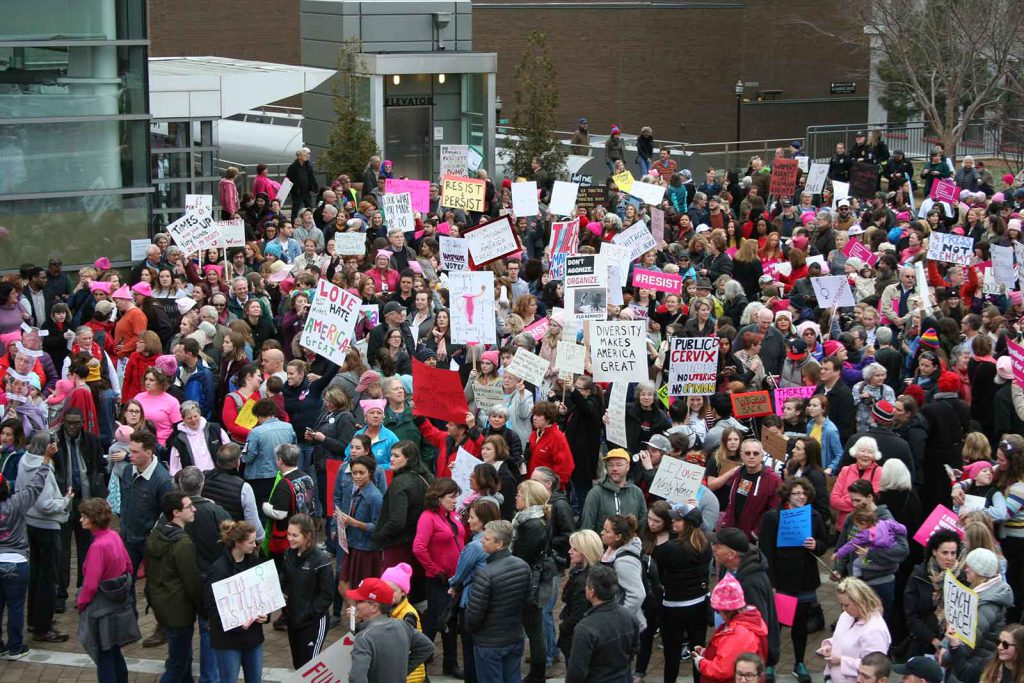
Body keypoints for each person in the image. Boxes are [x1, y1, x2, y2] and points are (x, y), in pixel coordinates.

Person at [757, 478, 828, 683]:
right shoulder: (772, 518)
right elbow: (765, 551)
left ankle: (799, 662)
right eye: (797, 493)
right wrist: (770, 582)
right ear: (788, 495)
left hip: (805, 580)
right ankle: (770, 664)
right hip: (782, 581)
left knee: (800, 624)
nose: (801, 496)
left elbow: (823, 543)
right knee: (777, 624)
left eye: (804, 493)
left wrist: (816, 545)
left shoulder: (814, 516)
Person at [0, 435, 57, 659]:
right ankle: (15, 647)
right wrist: (45, 461)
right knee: (15, 607)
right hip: (17, 562)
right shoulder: (16, 503)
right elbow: (36, 485)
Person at [17, 430, 73, 643]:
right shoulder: (41, 468)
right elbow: (46, 504)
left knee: (37, 575)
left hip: (31, 523)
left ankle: (35, 619)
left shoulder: (25, 461)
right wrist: (65, 500)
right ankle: (43, 626)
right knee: (48, 578)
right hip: (46, 527)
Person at [144, 490, 204, 683]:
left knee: (182, 658)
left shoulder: (157, 534)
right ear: (176, 513)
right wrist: (203, 607)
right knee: (178, 664)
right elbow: (192, 580)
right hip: (179, 609)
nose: (194, 509)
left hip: (162, 603)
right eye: (189, 507)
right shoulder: (183, 543)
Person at [76, 498, 138, 683]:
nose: (80, 519)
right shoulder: (114, 536)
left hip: (101, 609)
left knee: (104, 655)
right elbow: (129, 566)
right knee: (114, 650)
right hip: (118, 603)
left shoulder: (97, 547)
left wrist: (81, 603)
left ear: (93, 520)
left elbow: (91, 584)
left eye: (83, 516)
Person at [464, 519, 532, 683]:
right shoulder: (523, 566)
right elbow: (528, 603)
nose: (482, 541)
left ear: (499, 543)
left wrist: (474, 630)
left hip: (489, 644)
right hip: (514, 638)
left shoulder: (485, 574)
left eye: (487, 539)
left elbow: (474, 615)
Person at [412, 477, 465, 678]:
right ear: (439, 497)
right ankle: (431, 660)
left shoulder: (453, 516)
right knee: (440, 620)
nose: (455, 501)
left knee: (445, 620)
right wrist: (435, 570)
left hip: (454, 578)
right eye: (452, 497)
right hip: (438, 580)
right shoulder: (427, 517)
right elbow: (419, 547)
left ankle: (437, 660)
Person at [711, 527, 781, 676]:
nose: (714, 548)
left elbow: (757, 625)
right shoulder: (727, 568)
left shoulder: (751, 583)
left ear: (731, 554)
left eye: (718, 546)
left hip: (742, 654)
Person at [656, 503, 712, 683]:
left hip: (673, 608)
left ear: (687, 523)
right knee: (698, 651)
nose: (672, 521)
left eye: (677, 519)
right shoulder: (705, 545)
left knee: (671, 654)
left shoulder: (669, 549)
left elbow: (660, 574)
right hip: (699, 605)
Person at [205, 520, 266, 683]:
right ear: (238, 543)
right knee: (229, 679)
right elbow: (211, 607)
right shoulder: (219, 569)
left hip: (252, 637)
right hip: (228, 641)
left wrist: (265, 613)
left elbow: (263, 595)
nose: (255, 545)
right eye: (251, 542)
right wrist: (236, 622)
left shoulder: (254, 563)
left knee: (255, 679)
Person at [941, 548, 1013, 682]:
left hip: (970, 668)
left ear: (980, 572)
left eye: (970, 567)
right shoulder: (985, 594)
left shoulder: (986, 604)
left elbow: (968, 643)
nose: (965, 569)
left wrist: (946, 655)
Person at [373, 441, 432, 602]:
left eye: (396, 456)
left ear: (408, 459)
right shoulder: (426, 476)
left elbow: (397, 521)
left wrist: (378, 535)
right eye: (391, 455)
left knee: (391, 593)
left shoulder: (400, 483)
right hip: (418, 544)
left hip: (398, 546)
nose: (391, 459)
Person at [346, 577, 435, 683]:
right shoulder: (402, 625)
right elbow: (427, 647)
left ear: (374, 607)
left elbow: (357, 679)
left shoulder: (364, 638)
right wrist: (402, 671)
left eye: (359, 601)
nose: (355, 605)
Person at [565, 564, 641, 683]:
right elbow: (634, 649)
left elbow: (576, 673)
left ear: (591, 592)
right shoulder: (630, 617)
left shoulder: (585, 628)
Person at [513, 479, 555, 683]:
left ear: (528, 499)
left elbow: (522, 555)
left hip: (528, 582)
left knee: (534, 630)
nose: (516, 498)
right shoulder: (532, 520)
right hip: (532, 577)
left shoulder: (531, 524)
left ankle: (537, 674)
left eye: (519, 495)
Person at [693, 573, 769, 683]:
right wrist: (708, 653)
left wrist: (701, 662)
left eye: (719, 610)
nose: (718, 614)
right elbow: (729, 654)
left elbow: (723, 670)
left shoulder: (738, 633)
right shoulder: (747, 622)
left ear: (728, 610)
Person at [280, 513, 333, 667]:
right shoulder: (288, 554)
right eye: (288, 534)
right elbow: (283, 579)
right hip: (293, 619)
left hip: (313, 623)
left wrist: (308, 614)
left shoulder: (321, 561)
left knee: (309, 666)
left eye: (294, 535)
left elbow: (327, 596)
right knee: (298, 664)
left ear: (308, 535)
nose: (289, 538)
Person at [818, 577, 891, 683]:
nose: (843, 608)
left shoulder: (875, 630)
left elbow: (875, 667)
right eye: (841, 604)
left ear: (860, 602)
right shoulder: (846, 616)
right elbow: (841, 638)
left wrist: (842, 661)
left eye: (847, 605)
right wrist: (829, 646)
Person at [722, 438, 782, 541]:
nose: (751, 456)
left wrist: (757, 532)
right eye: (747, 453)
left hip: (754, 539)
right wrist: (726, 522)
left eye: (755, 453)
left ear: (762, 456)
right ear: (741, 455)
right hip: (734, 533)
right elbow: (732, 502)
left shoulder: (773, 480)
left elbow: (775, 511)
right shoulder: (738, 474)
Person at [580, 449, 647, 532]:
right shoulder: (595, 493)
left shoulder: (637, 493)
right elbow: (587, 527)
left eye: (619, 465)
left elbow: (643, 524)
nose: (614, 469)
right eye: (610, 465)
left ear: (628, 467)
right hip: (602, 544)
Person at [831, 436, 883, 529]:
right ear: (855, 452)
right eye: (862, 451)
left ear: (874, 455)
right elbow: (834, 501)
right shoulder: (845, 470)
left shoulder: (878, 471)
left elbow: (872, 500)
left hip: (866, 527)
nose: (865, 455)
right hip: (843, 526)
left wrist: (846, 498)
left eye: (870, 452)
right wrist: (860, 500)